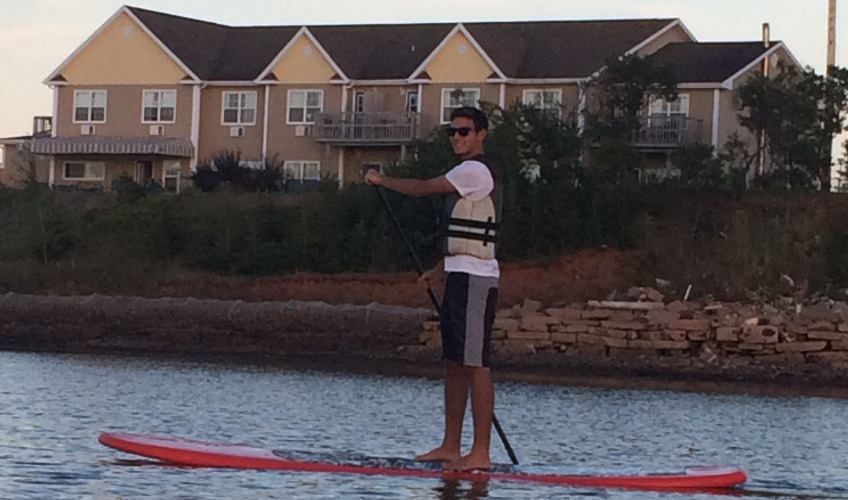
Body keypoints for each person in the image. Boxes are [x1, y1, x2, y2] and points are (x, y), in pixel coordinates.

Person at [365, 106, 502, 472]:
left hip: (477, 280)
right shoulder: (467, 171)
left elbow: (426, 187)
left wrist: (383, 181)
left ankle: (481, 453)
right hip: (459, 273)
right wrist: (439, 270)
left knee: (476, 364)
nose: (457, 137)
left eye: (465, 131)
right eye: (453, 132)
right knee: (454, 363)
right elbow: (463, 236)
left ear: (481, 134)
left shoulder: (476, 169)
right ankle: (450, 445)